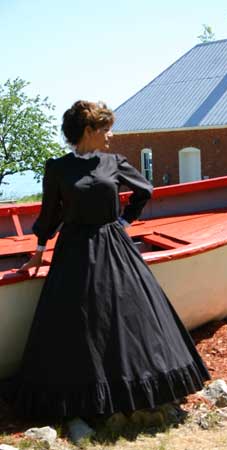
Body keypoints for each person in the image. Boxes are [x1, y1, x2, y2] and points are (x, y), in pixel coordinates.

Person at [6, 100, 210, 421]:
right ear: (88, 130)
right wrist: (38, 252)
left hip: (114, 247)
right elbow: (49, 215)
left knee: (127, 317)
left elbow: (145, 190)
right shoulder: (57, 168)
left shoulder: (112, 162)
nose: (111, 135)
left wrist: (123, 223)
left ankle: (137, 396)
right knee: (78, 324)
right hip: (73, 252)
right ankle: (83, 405)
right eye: (105, 128)